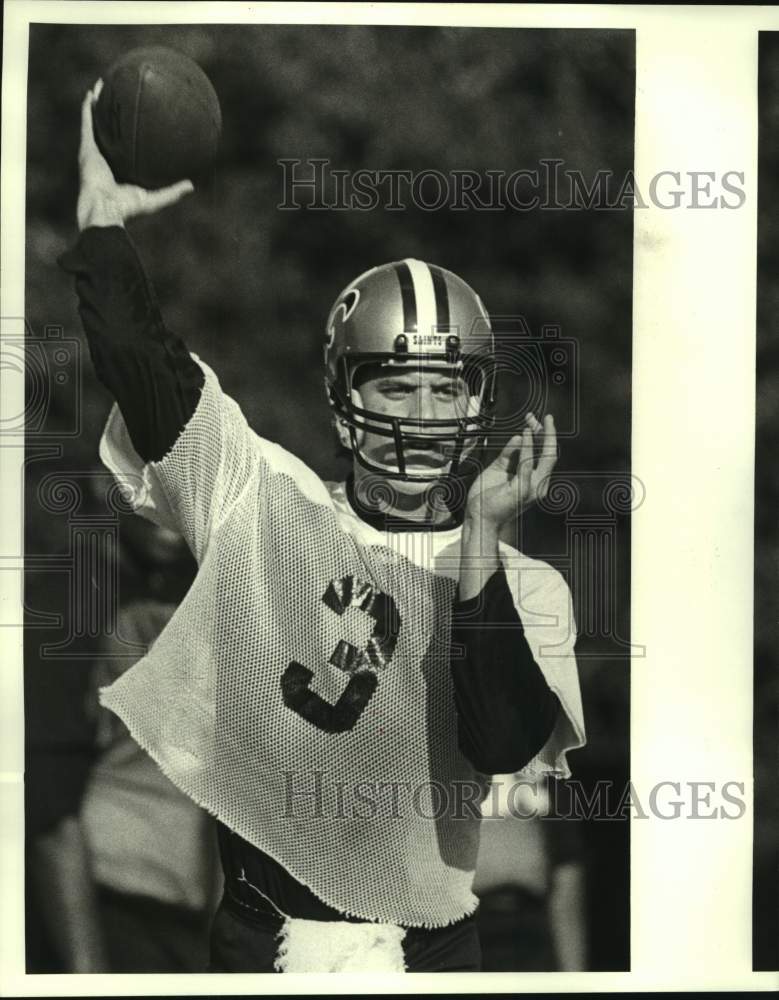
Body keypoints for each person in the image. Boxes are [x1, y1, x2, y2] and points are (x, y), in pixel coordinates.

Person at [59, 80, 586, 973]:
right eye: (395, 384)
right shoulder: (267, 507)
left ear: (477, 402)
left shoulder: (522, 580)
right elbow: (148, 376)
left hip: (435, 952)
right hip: (261, 935)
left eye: (445, 387)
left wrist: (481, 544)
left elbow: (499, 740)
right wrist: (104, 231)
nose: (421, 412)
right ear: (345, 405)